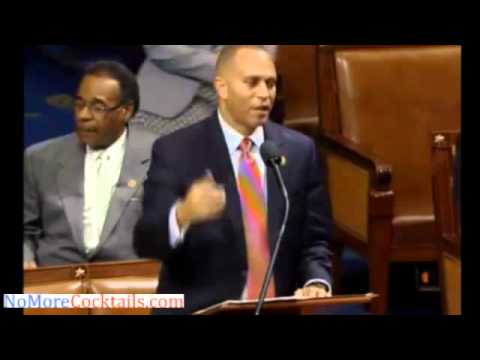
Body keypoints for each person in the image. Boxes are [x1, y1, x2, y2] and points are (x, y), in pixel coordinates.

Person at [134, 45, 333, 314]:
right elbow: (146, 241)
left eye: (271, 83)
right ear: (222, 88)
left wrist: (316, 281)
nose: (265, 94)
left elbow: (315, 241)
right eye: (252, 83)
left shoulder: (299, 151)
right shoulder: (176, 151)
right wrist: (182, 215)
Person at [24, 61, 158, 269]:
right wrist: (25, 259)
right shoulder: (40, 158)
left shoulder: (159, 155)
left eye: (98, 107)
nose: (83, 115)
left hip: (131, 286)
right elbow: (26, 229)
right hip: (55, 286)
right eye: (79, 104)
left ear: (126, 111)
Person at [134, 45, 278, 137]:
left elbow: (263, 57)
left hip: (239, 98)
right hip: (170, 96)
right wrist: (227, 66)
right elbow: (160, 49)